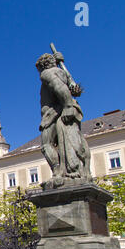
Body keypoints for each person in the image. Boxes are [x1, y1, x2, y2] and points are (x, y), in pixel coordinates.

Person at [35, 52, 92, 189]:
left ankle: (57, 173)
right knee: (73, 141)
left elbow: (59, 87)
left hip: (54, 113)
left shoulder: (47, 73)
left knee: (46, 144)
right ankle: (80, 172)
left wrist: (67, 106)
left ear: (42, 65)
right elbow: (74, 89)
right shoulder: (63, 73)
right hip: (66, 109)